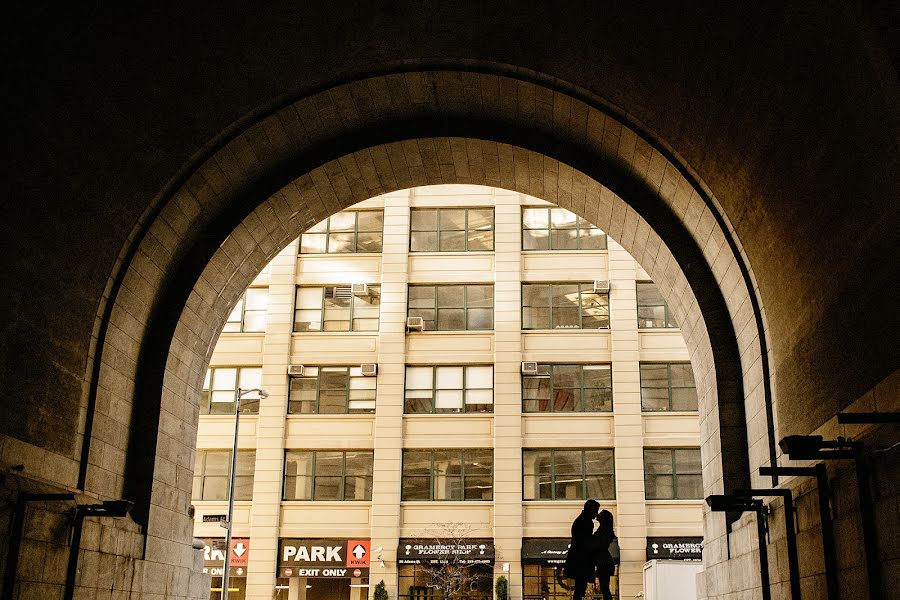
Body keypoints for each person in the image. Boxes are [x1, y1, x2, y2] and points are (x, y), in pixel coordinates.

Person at [563, 499, 600, 600]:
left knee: (580, 587)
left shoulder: (581, 520)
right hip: (582, 559)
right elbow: (586, 542)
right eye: (596, 511)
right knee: (580, 587)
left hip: (578, 558)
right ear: (591, 510)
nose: (596, 514)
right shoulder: (586, 522)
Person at [591, 510, 617, 600]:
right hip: (603, 561)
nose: (598, 515)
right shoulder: (604, 529)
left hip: (603, 562)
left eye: (600, 514)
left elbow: (600, 545)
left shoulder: (604, 530)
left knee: (604, 588)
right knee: (604, 588)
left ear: (604, 518)